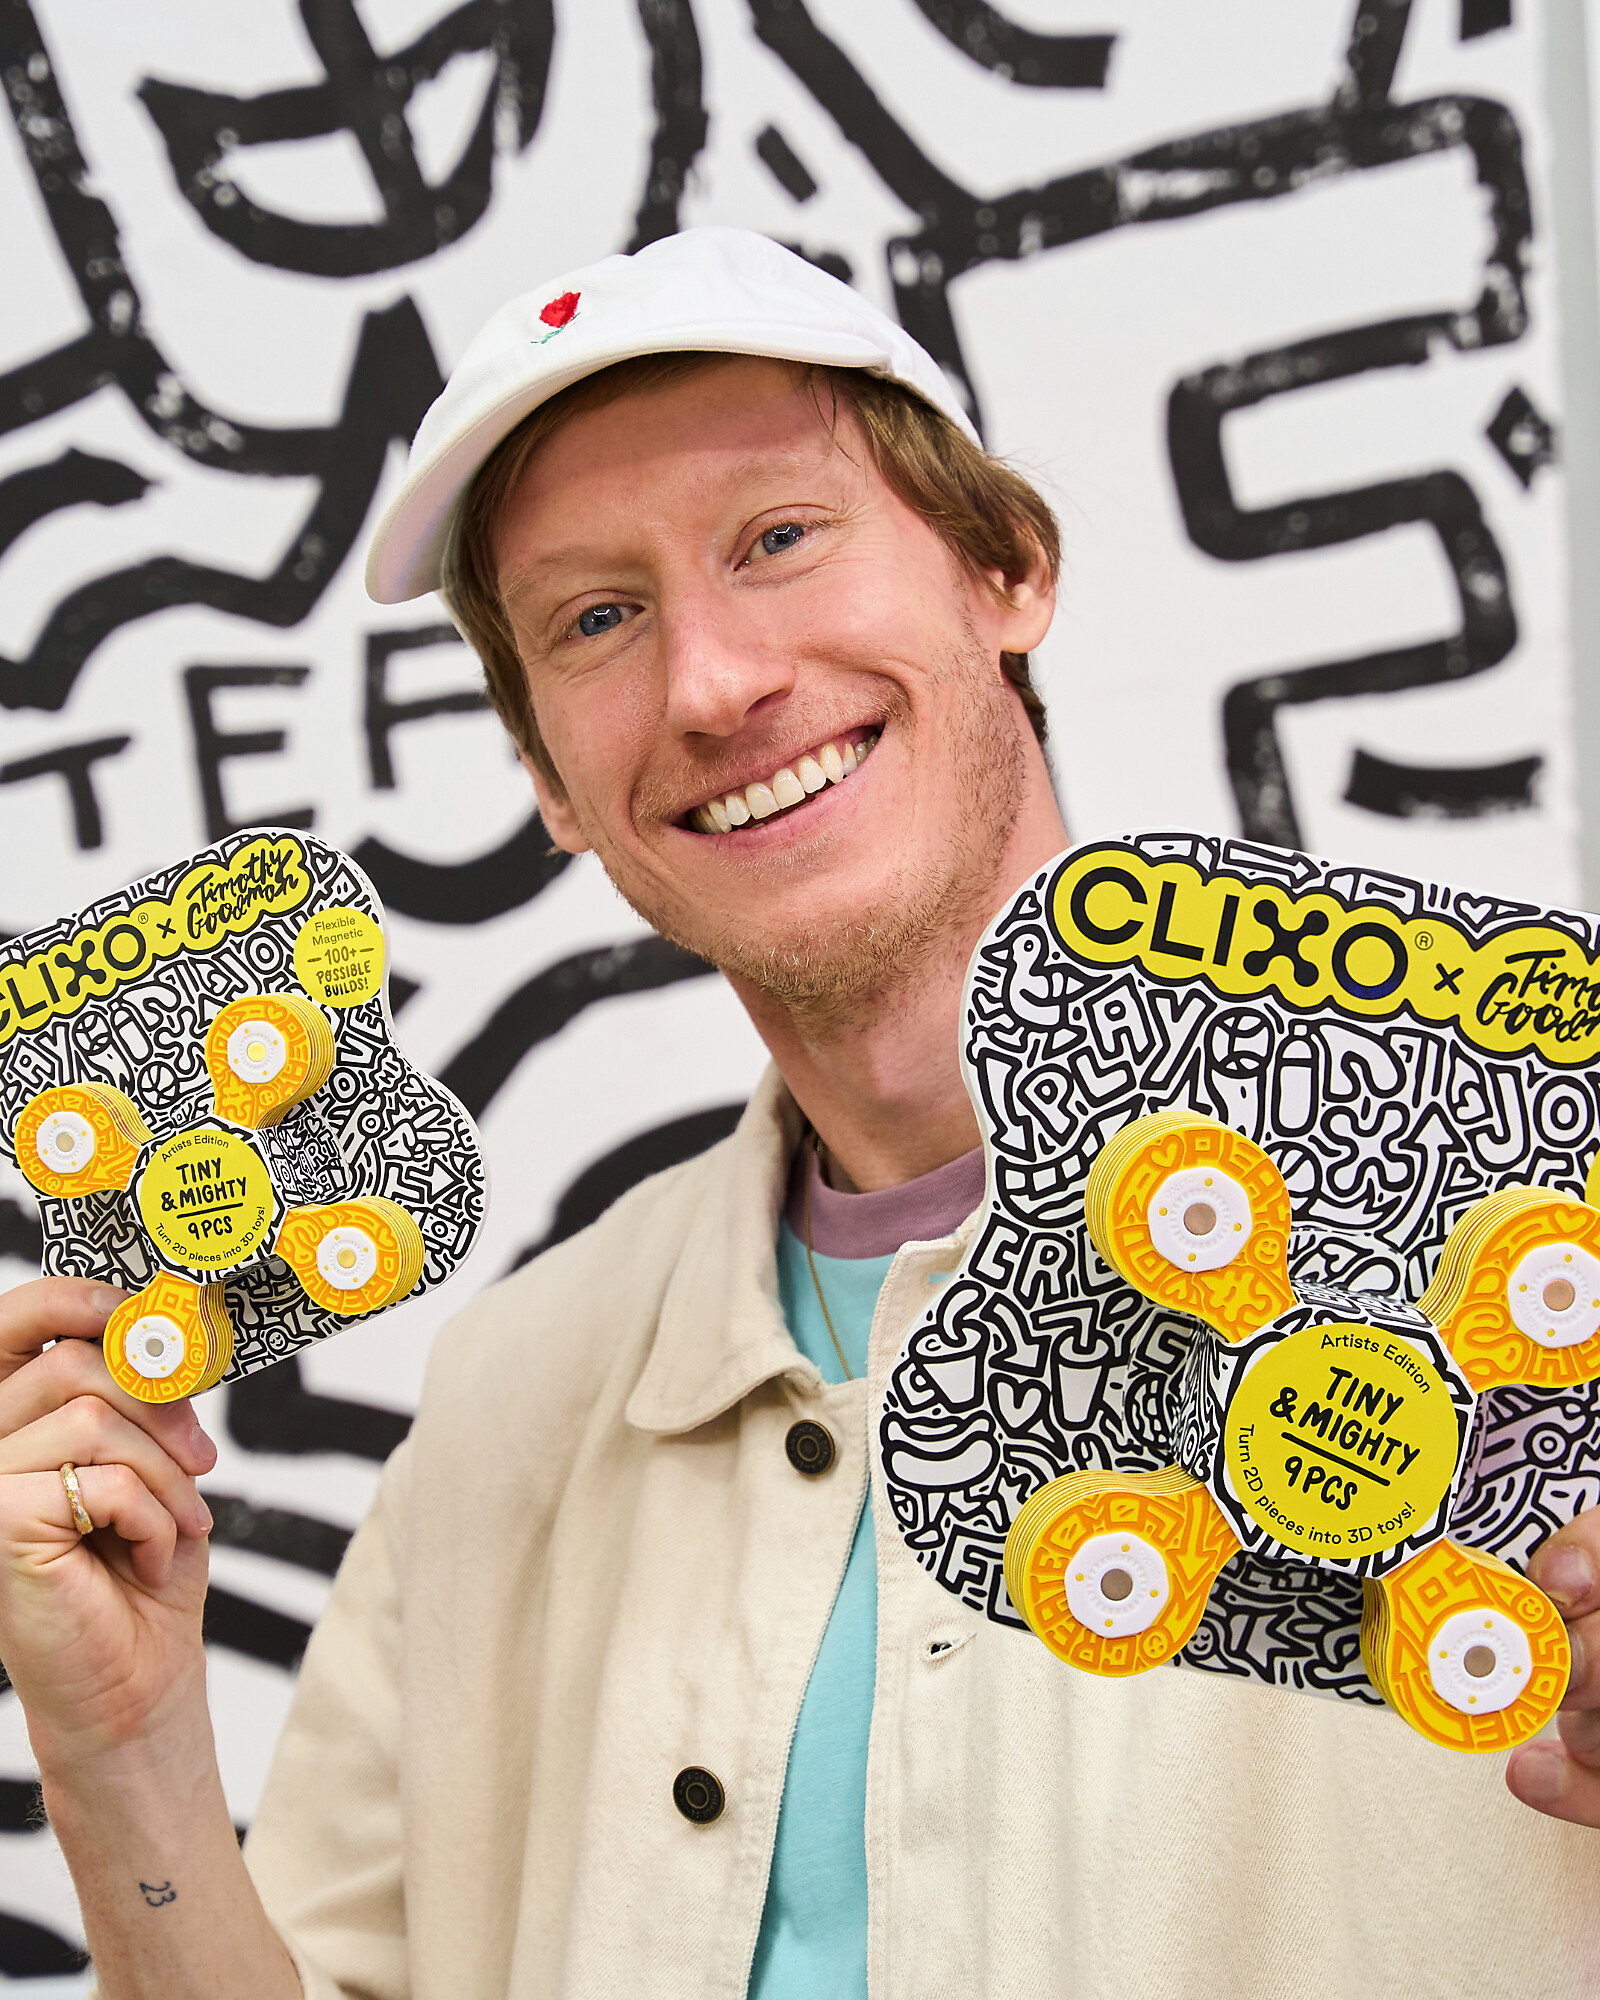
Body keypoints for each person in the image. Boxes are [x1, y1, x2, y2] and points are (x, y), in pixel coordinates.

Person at [0, 228, 1596, 2000]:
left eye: (778, 538)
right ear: (548, 782)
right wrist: (121, 1752)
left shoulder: (1542, 1229)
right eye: (597, 618)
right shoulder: (515, 1394)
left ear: (1005, 568)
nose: (711, 684)